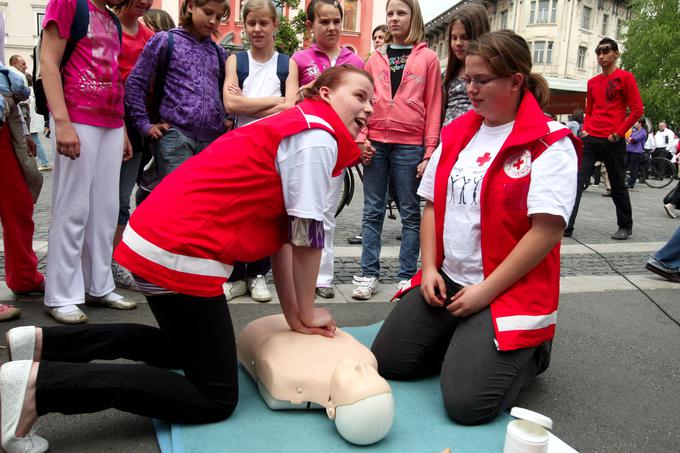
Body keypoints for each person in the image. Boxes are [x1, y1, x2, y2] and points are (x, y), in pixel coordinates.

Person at [0, 65, 374, 453]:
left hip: (163, 237)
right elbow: (308, 236)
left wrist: (297, 314)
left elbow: (283, 239)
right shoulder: (317, 136)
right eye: (360, 96)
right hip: (181, 250)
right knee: (214, 397)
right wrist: (309, 312)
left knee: (177, 350)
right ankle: (38, 388)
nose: (368, 109)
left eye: (373, 103)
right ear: (327, 94)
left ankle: (42, 344)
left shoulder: (297, 125)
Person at [371, 30, 580, 425]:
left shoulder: (550, 143)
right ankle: (465, 339)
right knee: (389, 360)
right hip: (449, 279)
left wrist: (485, 291)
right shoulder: (459, 131)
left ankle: (535, 350)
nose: (470, 89)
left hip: (505, 289)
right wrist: (430, 268)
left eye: (481, 80)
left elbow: (547, 231)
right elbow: (431, 202)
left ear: (516, 81)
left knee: (468, 405)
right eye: (467, 79)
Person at [40, 0, 135, 325]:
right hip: (77, 116)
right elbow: (48, 62)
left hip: (109, 122)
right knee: (73, 207)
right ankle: (62, 294)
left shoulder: (110, 17)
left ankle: (99, 285)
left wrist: (121, 127)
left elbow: (115, 75)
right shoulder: (68, 4)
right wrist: (62, 121)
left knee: (105, 210)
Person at [353, 0, 442, 300]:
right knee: (371, 211)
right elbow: (363, 102)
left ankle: (406, 276)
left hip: (410, 143)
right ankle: (368, 274)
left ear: (413, 16)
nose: (394, 19)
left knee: (410, 213)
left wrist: (429, 151)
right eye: (390, 13)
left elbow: (433, 106)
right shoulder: (374, 58)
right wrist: (362, 136)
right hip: (376, 141)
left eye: (400, 13)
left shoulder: (428, 58)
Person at [222, 0, 299, 303]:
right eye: (251, 23)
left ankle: (257, 274)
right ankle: (236, 275)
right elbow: (230, 105)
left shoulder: (285, 64)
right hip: (241, 148)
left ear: (274, 26)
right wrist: (274, 101)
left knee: (265, 215)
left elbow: (291, 108)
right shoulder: (236, 62)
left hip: (274, 151)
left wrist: (250, 103)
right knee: (237, 212)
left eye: (263, 23)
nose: (256, 29)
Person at [292, 0, 364, 299]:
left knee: (325, 215)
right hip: (305, 146)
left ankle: (322, 277)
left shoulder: (354, 62)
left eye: (337, 20)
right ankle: (298, 276)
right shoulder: (300, 58)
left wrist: (362, 137)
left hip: (337, 149)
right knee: (300, 212)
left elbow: (364, 105)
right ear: (311, 25)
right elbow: (292, 102)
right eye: (325, 22)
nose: (332, 27)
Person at [238, 314, 393, 446]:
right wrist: (304, 314)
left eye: (355, 381)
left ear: (331, 409)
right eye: (372, 376)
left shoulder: (288, 374)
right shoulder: (366, 359)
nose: (361, 369)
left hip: (266, 329)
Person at [125, 0, 229, 180]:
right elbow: (135, 83)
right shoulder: (166, 41)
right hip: (175, 136)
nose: (213, 21)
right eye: (208, 12)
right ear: (190, 7)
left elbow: (225, 91)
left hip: (211, 140)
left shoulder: (218, 52)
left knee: (202, 200)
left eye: (218, 17)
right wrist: (144, 125)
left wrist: (227, 118)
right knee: (179, 200)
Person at [565, 37, 643, 240]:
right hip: (591, 139)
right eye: (598, 52)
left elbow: (637, 110)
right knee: (578, 181)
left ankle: (625, 226)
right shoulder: (592, 82)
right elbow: (589, 111)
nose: (601, 56)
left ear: (616, 54)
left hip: (612, 140)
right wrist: (586, 130)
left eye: (606, 51)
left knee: (618, 184)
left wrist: (618, 133)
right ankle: (567, 225)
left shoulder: (625, 78)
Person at [109, 0, 154, 291]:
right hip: (106, 115)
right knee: (99, 198)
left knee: (121, 196)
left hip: (136, 121)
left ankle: (113, 261)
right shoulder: (106, 26)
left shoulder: (148, 35)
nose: (145, 2)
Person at [0, 61, 44, 322]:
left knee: (19, 205)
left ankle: (25, 276)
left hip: (5, 123)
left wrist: (24, 130)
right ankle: (24, 275)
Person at [441, 3, 489, 128]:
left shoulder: (493, 71)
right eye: (454, 37)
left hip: (475, 140)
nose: (458, 43)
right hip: (447, 141)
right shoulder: (447, 73)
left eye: (465, 37)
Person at [625, 118, 647, 188]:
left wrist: (630, 139)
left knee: (633, 168)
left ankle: (631, 183)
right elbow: (628, 138)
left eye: (636, 122)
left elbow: (635, 139)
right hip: (628, 150)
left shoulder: (643, 132)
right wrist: (630, 139)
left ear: (640, 123)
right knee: (624, 166)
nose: (634, 124)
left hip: (636, 152)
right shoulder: (634, 131)